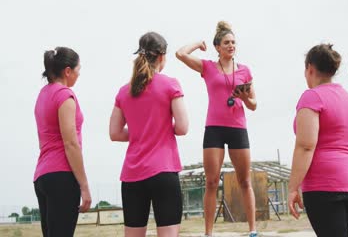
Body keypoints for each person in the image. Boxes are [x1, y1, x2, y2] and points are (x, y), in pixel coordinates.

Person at [175, 21, 257, 237]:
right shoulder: (208, 67)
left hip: (238, 127)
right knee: (211, 182)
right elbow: (180, 54)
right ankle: (208, 233)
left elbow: (254, 105)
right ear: (217, 47)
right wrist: (197, 44)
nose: (231, 46)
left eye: (233, 42)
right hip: (214, 128)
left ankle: (253, 230)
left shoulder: (245, 70)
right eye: (226, 43)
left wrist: (245, 98)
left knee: (245, 181)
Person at [109, 32, 188, 237]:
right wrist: (159, 128)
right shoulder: (170, 84)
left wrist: (139, 132)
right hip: (163, 171)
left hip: (132, 175)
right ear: (162, 56)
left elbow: (115, 133)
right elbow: (182, 127)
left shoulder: (123, 91)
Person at [288, 44, 348, 237]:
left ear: (310, 68)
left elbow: (305, 146)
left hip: (324, 183)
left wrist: (293, 187)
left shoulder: (312, 97)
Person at [34, 47, 92, 237]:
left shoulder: (43, 95)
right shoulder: (64, 95)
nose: (79, 74)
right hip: (62, 175)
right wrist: (84, 186)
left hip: (42, 176)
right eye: (78, 70)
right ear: (68, 71)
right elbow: (70, 143)